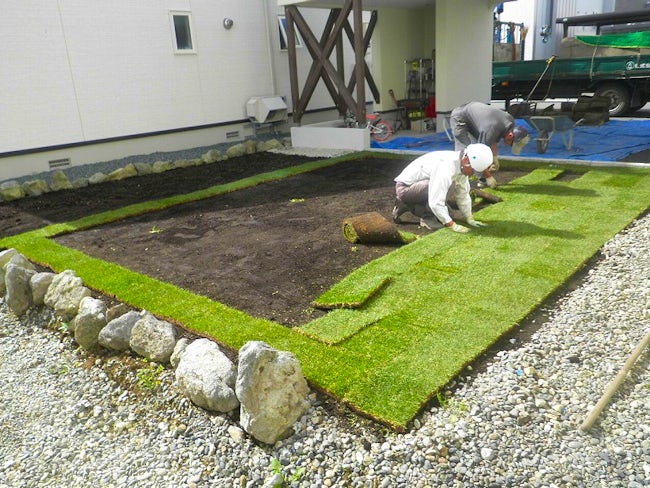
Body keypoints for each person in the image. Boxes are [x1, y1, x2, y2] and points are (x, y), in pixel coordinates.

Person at [392, 143, 493, 233]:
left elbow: (463, 194)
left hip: (420, 186)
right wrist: (452, 225)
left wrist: (469, 218)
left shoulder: (461, 164)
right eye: (473, 170)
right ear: (466, 160)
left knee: (449, 214)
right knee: (440, 190)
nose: (473, 174)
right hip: (405, 188)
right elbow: (435, 202)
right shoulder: (446, 167)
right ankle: (423, 215)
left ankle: (413, 205)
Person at [450, 101, 530, 188]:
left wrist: (494, 157)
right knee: (465, 151)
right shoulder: (491, 130)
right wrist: (489, 177)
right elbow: (478, 155)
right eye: (511, 144)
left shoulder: (510, 122)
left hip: (474, 120)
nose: (509, 145)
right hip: (460, 118)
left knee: (476, 150)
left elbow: (495, 139)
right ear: (510, 136)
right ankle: (457, 181)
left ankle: (481, 177)